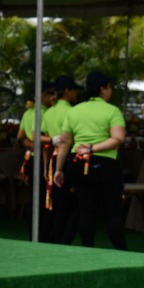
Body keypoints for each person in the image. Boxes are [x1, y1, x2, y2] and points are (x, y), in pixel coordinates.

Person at [53, 71, 127, 251]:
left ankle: (88, 251)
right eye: (109, 87)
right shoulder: (112, 110)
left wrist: (58, 169)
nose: (110, 90)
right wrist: (93, 148)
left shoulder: (74, 110)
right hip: (105, 165)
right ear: (102, 89)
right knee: (112, 212)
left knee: (87, 210)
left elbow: (64, 142)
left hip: (77, 164)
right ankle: (123, 253)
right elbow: (118, 138)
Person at [16, 81, 55, 240]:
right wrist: (51, 141)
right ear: (43, 96)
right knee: (43, 200)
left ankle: (34, 235)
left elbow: (20, 136)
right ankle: (41, 236)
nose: (54, 96)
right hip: (41, 161)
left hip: (32, 160)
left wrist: (29, 144)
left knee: (35, 199)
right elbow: (34, 136)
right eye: (51, 93)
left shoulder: (28, 112)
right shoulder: (43, 112)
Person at [44, 75, 80, 244]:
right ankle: (64, 240)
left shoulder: (48, 112)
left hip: (53, 157)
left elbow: (45, 140)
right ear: (67, 91)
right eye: (74, 90)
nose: (76, 93)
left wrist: (46, 167)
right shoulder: (72, 111)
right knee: (73, 204)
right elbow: (70, 139)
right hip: (68, 158)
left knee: (59, 203)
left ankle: (57, 240)